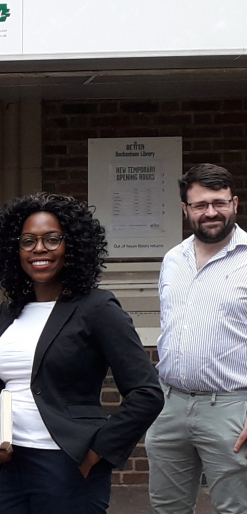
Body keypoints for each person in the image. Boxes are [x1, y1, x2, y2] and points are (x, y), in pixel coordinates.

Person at [0, 192, 164, 514]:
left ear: (72, 246)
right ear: (14, 250)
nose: (39, 249)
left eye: (51, 239)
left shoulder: (97, 308)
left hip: (68, 463)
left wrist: (95, 455)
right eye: (28, 240)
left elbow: (147, 394)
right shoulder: (10, 311)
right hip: (13, 463)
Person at [147, 163, 247, 514]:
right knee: (166, 507)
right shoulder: (173, 259)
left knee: (235, 508)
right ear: (186, 210)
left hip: (231, 407)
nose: (211, 213)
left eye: (219, 203)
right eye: (201, 205)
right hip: (169, 404)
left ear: (234, 204)